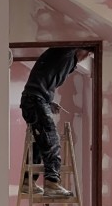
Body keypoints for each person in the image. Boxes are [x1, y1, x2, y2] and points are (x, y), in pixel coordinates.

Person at [20, 46, 91, 197]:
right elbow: (70, 43)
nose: (87, 56)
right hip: (36, 100)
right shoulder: (66, 52)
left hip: (34, 99)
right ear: (81, 48)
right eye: (87, 52)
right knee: (51, 139)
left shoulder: (66, 59)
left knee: (39, 141)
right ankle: (52, 183)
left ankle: (28, 182)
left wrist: (48, 102)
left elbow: (43, 81)